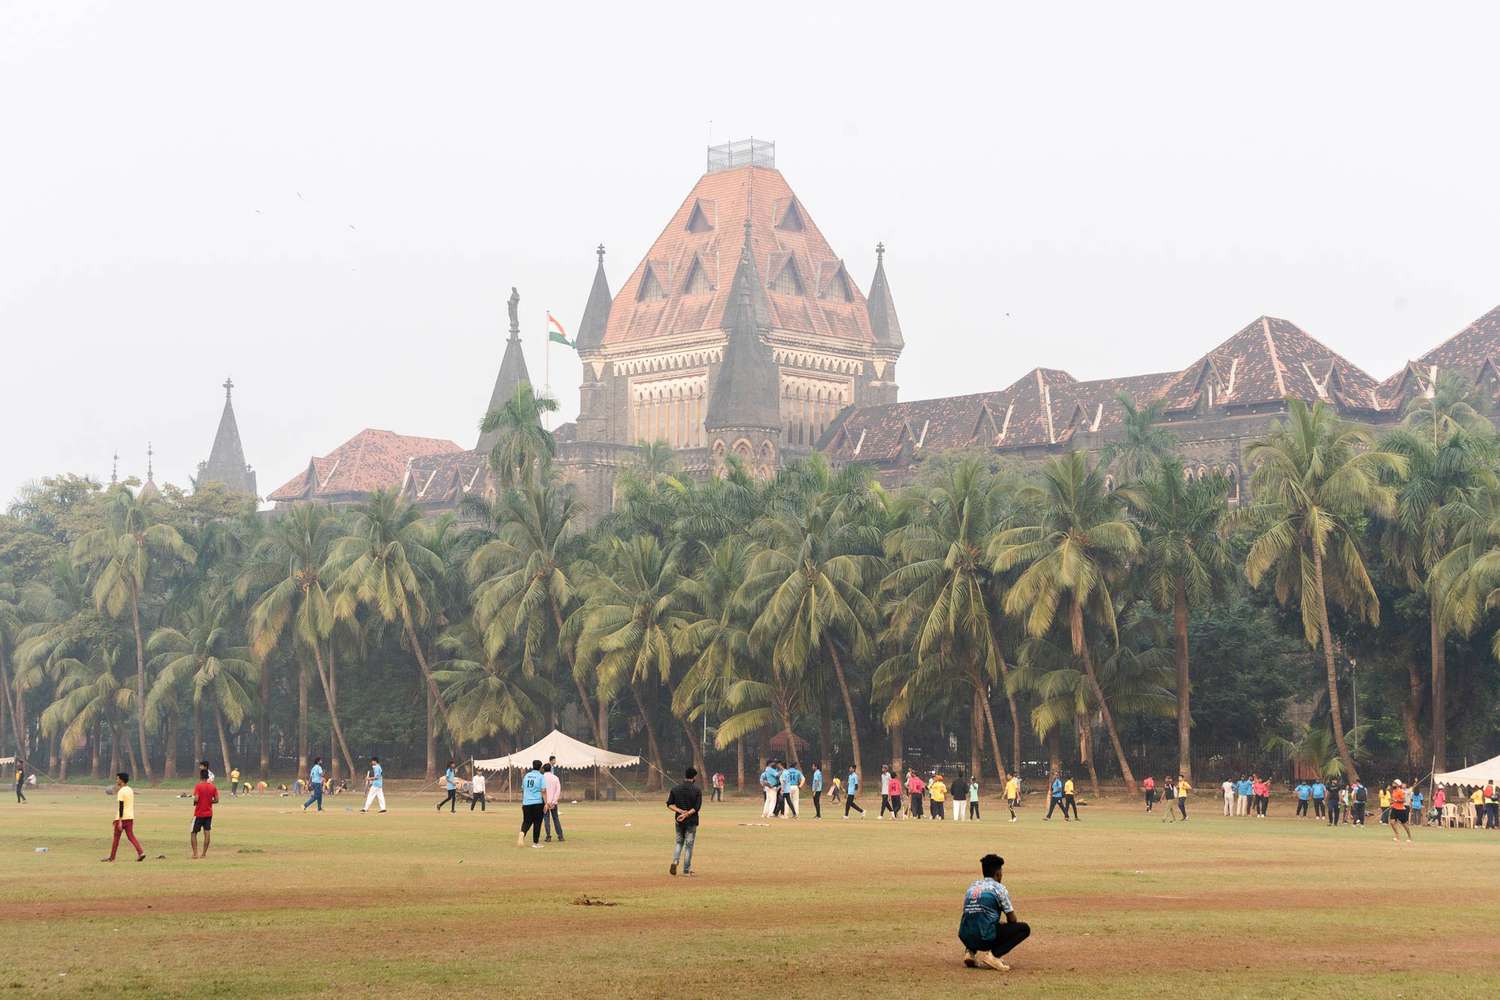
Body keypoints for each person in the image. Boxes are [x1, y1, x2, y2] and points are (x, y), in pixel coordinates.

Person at [957, 853, 1030, 972]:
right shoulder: (999, 888)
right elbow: (1012, 920)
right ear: (998, 873)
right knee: (1024, 929)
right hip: (984, 938)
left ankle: (970, 952)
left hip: (965, 935)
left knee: (976, 916)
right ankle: (994, 956)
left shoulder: (972, 886)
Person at [102, 772, 144, 862]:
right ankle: (141, 852)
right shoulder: (130, 790)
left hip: (121, 818)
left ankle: (112, 857)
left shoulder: (121, 791)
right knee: (131, 836)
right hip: (130, 817)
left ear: (121, 780)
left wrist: (120, 820)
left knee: (116, 838)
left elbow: (121, 806)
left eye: (117, 779)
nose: (116, 780)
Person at [667, 766, 702, 877]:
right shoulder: (697, 790)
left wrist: (680, 812)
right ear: (694, 777)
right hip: (691, 821)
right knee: (688, 846)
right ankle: (686, 870)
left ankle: (675, 861)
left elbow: (669, 804)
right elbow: (696, 808)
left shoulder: (675, 789)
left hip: (679, 821)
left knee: (679, 843)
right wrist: (686, 814)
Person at [190, 766, 218, 859]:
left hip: (198, 813)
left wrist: (195, 802)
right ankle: (204, 854)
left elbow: (196, 798)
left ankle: (195, 853)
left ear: (200, 776)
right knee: (207, 832)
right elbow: (216, 800)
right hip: (209, 814)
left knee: (193, 833)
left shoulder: (198, 786)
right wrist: (209, 801)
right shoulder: (213, 787)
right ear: (208, 777)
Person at [517, 759, 546, 848]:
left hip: (526, 803)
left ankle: (522, 833)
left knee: (526, 821)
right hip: (537, 802)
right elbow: (543, 791)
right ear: (540, 767)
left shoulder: (527, 776)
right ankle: (535, 843)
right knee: (537, 822)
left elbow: (523, 788)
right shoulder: (541, 776)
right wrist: (546, 803)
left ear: (532, 766)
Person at [543, 763, 564, 841]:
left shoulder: (542, 778)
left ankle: (548, 836)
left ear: (543, 769)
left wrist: (547, 802)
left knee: (546, 819)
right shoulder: (555, 778)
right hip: (553, 803)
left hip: (545, 802)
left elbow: (542, 791)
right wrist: (553, 801)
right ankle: (560, 836)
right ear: (550, 769)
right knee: (556, 819)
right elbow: (558, 791)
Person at [1389, 779, 1413, 843]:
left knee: (1404, 824)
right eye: (1393, 783)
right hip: (1394, 809)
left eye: (1394, 783)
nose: (1393, 784)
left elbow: (1403, 800)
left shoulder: (1401, 791)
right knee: (1392, 822)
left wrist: (1396, 801)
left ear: (1397, 785)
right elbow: (1393, 799)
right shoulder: (1394, 791)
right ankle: (1397, 835)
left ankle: (1409, 836)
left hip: (1401, 810)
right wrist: (1392, 803)